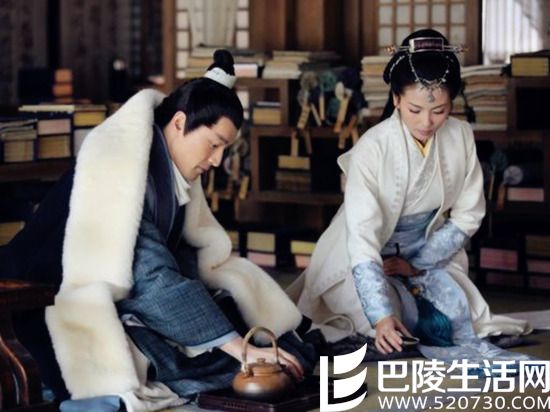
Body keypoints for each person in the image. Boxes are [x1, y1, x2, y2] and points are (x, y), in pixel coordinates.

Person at [0, 50, 315, 411]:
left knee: (258, 336)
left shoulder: (166, 165)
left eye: (223, 149)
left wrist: (230, 327)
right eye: (214, 144)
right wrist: (237, 346)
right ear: (179, 122)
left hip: (129, 293)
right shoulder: (120, 165)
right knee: (208, 357)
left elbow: (183, 258)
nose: (216, 160)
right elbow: (149, 274)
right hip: (46, 294)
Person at [288, 29, 532, 364]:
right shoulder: (372, 148)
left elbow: (469, 212)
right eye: (415, 109)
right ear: (397, 99)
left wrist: (416, 264)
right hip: (361, 254)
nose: (427, 122)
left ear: (452, 103)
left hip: (426, 251)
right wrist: (380, 316)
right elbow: (361, 236)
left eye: (440, 110)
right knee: (379, 320)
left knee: (458, 311)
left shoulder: (461, 135)